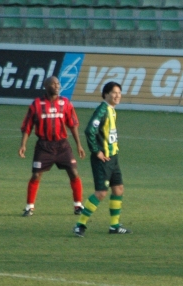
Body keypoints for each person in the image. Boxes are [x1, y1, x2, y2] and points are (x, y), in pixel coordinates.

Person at [18, 76, 85, 216]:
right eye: (53, 83)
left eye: (58, 83)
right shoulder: (36, 104)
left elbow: (72, 125)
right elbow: (27, 127)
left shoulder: (66, 103)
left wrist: (79, 145)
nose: (56, 86)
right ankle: (29, 207)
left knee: (73, 172)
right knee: (36, 175)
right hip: (44, 146)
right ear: (45, 86)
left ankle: (78, 205)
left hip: (62, 145)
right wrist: (23, 145)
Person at [74, 81, 131, 237]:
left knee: (118, 189)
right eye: (114, 92)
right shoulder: (102, 110)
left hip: (113, 158)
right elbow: (89, 130)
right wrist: (97, 151)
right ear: (105, 94)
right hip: (103, 159)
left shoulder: (111, 110)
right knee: (101, 193)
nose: (117, 95)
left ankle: (114, 226)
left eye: (119, 93)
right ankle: (80, 225)